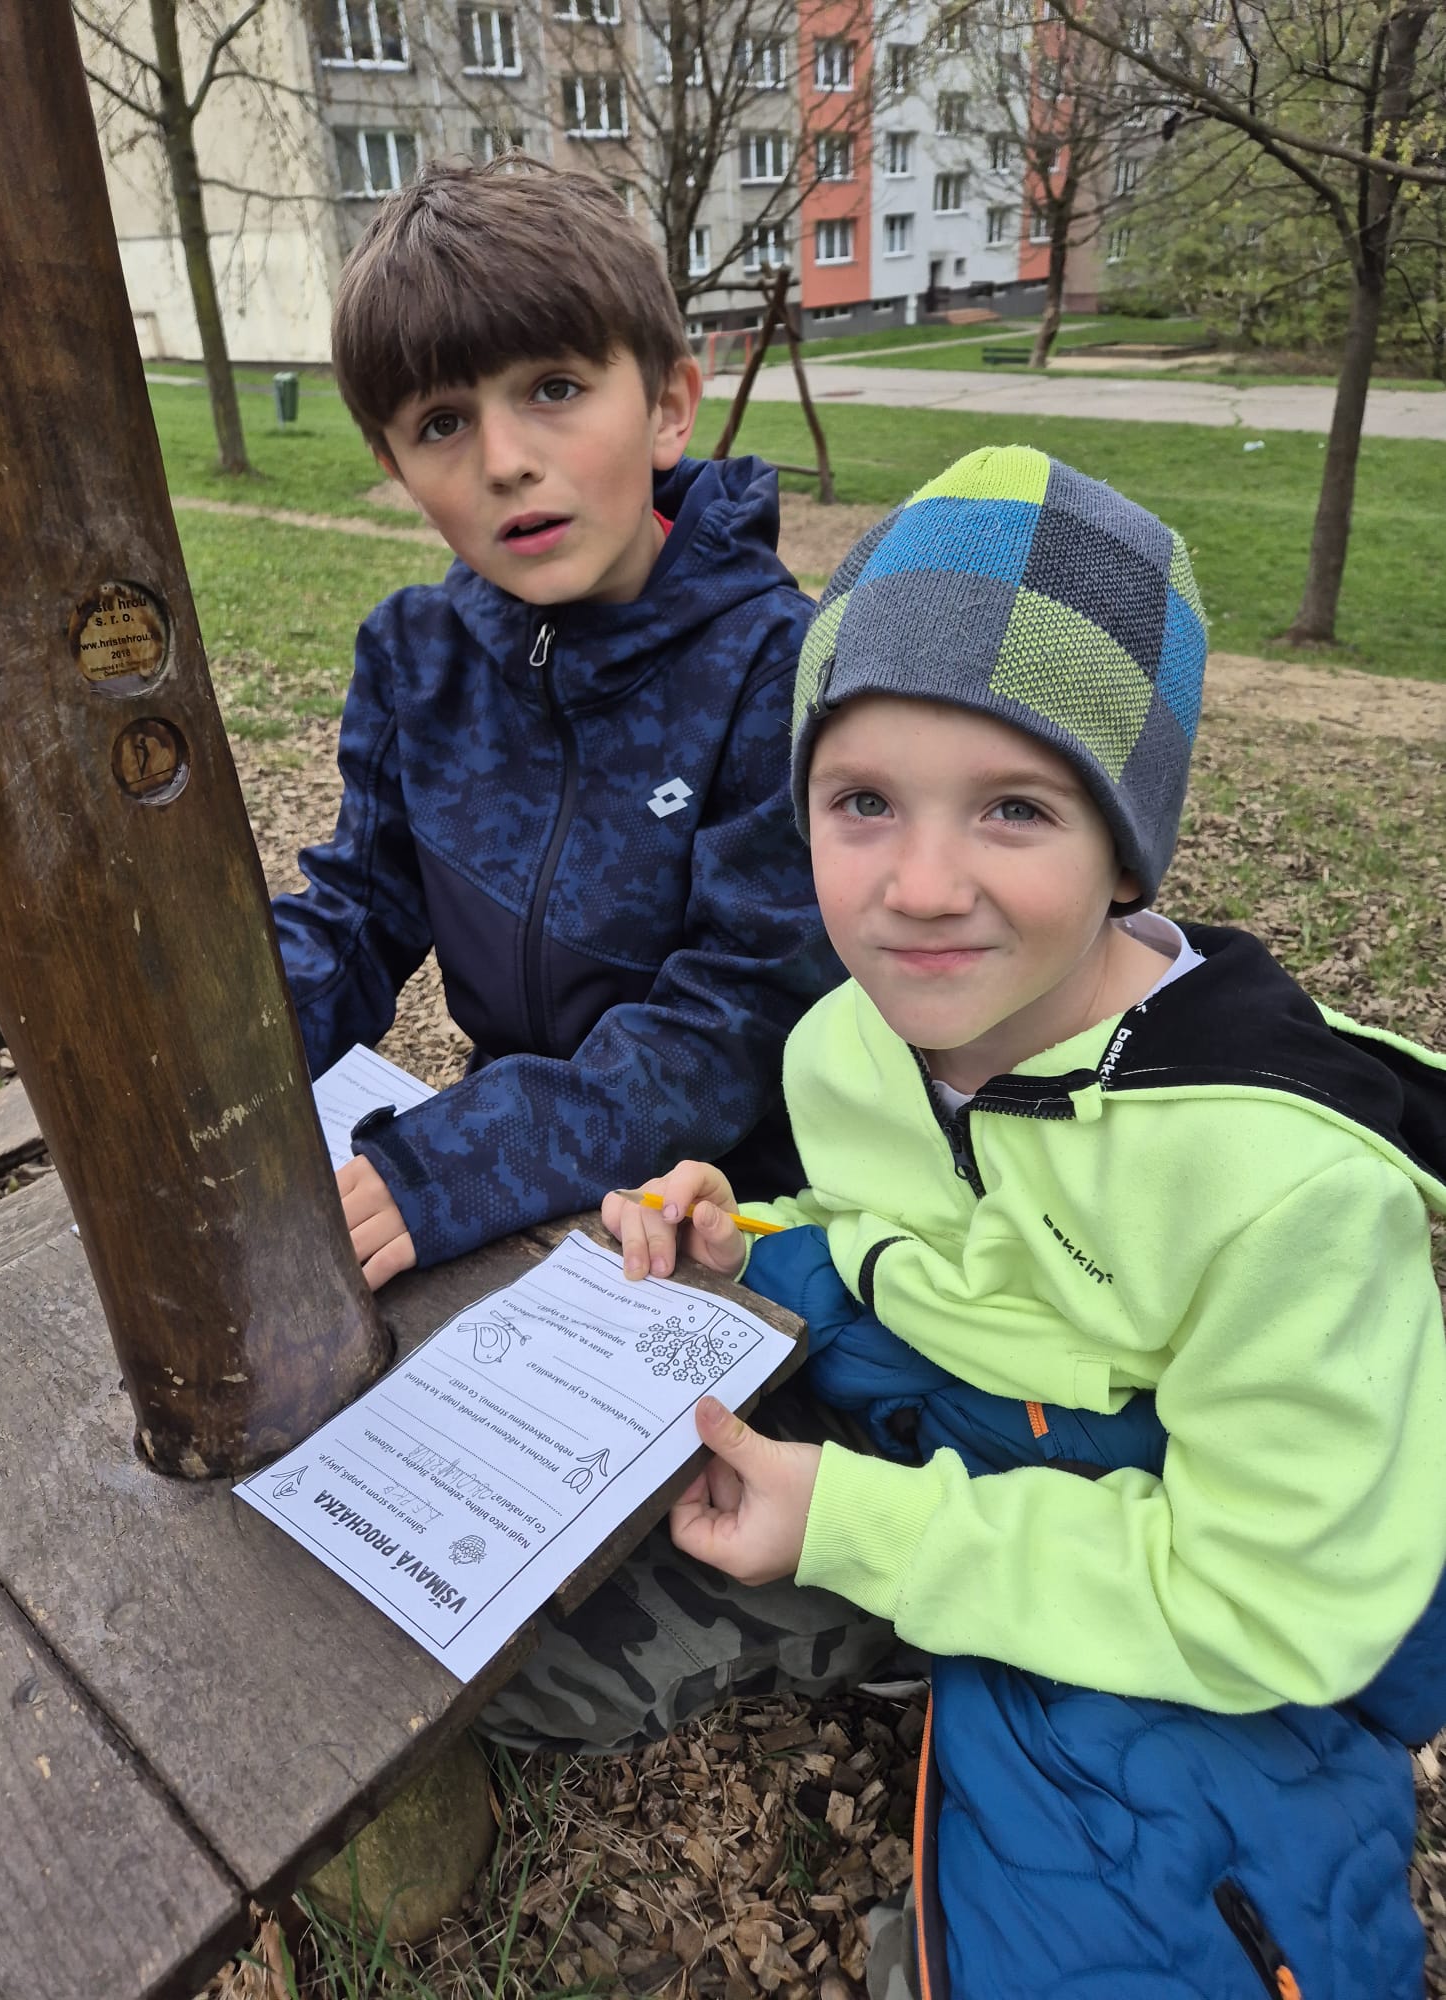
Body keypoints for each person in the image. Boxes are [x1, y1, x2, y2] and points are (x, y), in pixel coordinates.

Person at [591, 445, 1446, 1997]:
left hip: (1216, 1578)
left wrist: (861, 1527)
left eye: (1013, 808)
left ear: (1125, 845)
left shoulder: (1289, 1190)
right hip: (968, 1430)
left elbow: (1275, 1605)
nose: (921, 887)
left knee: (1154, 1933)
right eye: (863, 801)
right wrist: (751, 1238)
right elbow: (897, 1219)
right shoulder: (847, 1038)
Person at [270, 159, 841, 1287]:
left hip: (730, 1220)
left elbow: (737, 1017)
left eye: (555, 388)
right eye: (442, 422)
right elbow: (357, 918)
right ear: (394, 465)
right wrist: (209, 1061)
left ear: (667, 406)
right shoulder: (416, 658)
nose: (505, 461)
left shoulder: (776, 669)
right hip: (521, 1212)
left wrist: (463, 1160)